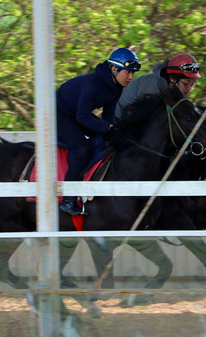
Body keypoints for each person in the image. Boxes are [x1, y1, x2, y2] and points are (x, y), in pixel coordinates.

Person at [56, 48, 142, 215]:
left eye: (133, 73)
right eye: (128, 72)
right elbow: (82, 118)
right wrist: (108, 127)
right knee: (83, 149)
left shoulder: (117, 87)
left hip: (76, 114)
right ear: (113, 69)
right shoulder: (92, 85)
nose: (131, 77)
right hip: (58, 114)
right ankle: (68, 199)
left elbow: (109, 116)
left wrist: (115, 130)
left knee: (110, 136)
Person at [116, 52, 200, 119]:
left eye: (192, 84)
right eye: (186, 83)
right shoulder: (153, 86)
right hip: (116, 118)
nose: (189, 88)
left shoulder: (171, 91)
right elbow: (141, 117)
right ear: (172, 79)